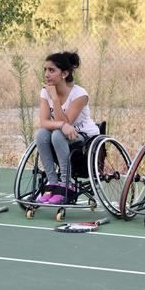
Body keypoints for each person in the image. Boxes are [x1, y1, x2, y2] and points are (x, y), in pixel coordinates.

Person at [35, 51, 100, 205]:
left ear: (64, 73)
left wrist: (55, 99)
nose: (46, 74)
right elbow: (44, 122)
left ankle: (66, 183)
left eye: (51, 70)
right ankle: (52, 183)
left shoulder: (80, 94)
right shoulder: (45, 92)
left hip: (84, 136)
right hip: (62, 131)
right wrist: (61, 125)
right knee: (41, 134)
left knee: (57, 135)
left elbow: (67, 121)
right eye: (45, 70)